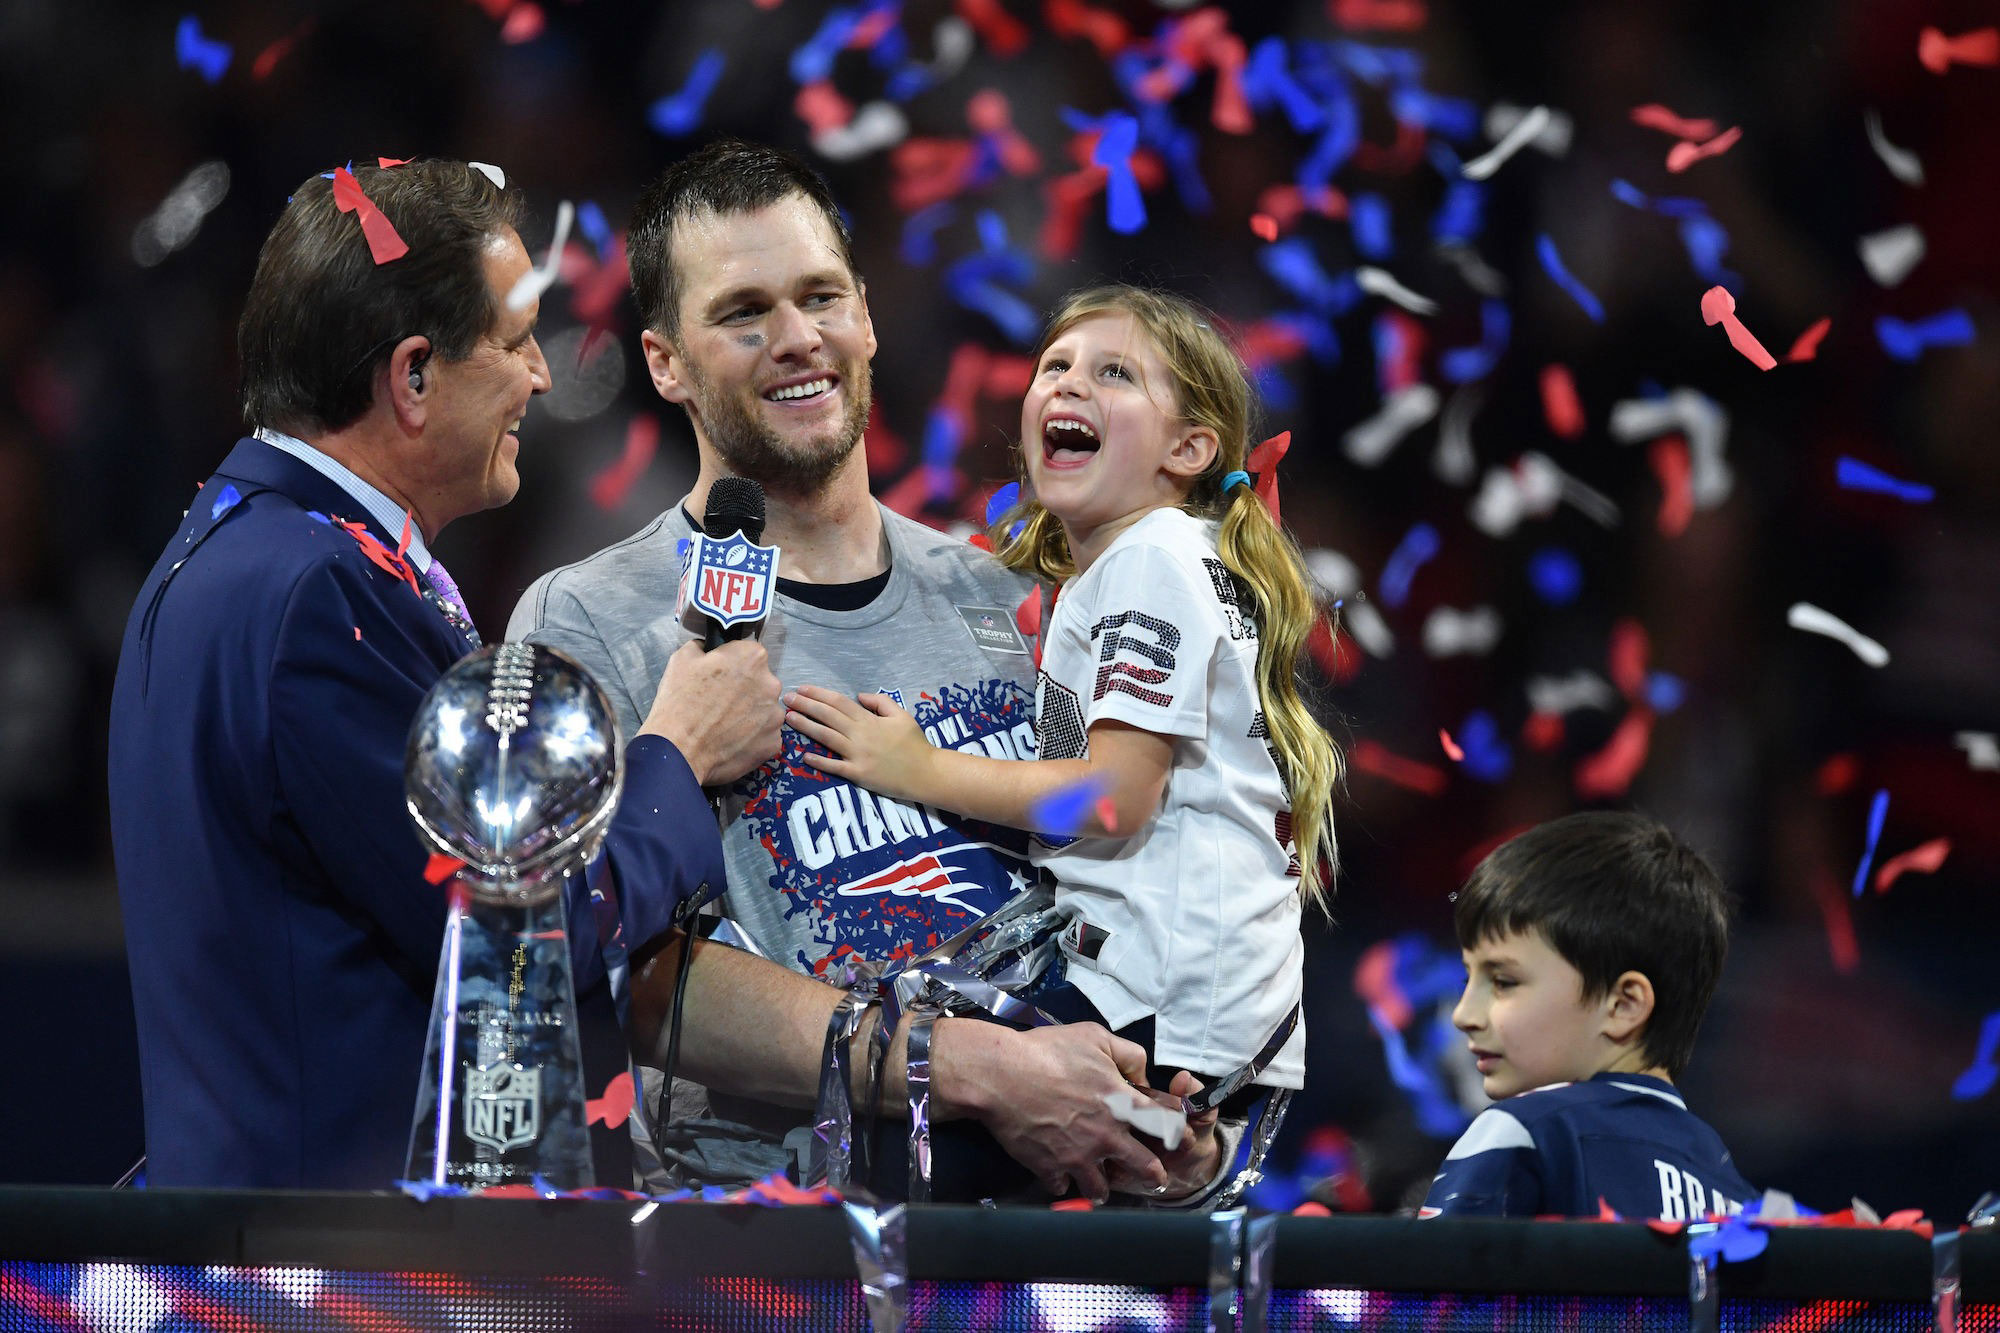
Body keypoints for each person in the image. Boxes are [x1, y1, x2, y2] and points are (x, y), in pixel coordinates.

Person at [510, 139, 1207, 1204]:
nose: (797, 338)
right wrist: (973, 1069)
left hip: (1048, 1244)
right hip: (780, 1253)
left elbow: (1111, 894)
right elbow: (612, 968)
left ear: (867, 316)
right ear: (664, 362)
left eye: (820, 296)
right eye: (744, 313)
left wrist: (1165, 1108)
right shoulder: (589, 621)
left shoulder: (1012, 600)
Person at [107, 159, 783, 1190]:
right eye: (515, 342)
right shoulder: (317, 593)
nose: (541, 378)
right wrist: (675, 752)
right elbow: (518, 941)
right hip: (340, 1256)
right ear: (414, 375)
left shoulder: (237, 546)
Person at [787, 285, 1340, 1169]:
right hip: (1203, 1010)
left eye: (1115, 373)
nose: (1070, 384)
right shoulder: (1147, 565)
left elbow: (1112, 798)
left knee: (893, 1152)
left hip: (1154, 1003)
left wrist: (915, 766)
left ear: (1189, 449)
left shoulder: (1151, 558)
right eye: (1055, 365)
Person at [1418, 811, 1755, 1219]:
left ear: (1624, 1005)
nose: (1463, 1015)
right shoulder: (1734, 1192)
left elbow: (1432, 1266)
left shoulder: (1524, 1132)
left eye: (1504, 982)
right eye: (1468, 979)